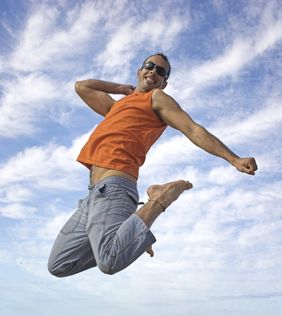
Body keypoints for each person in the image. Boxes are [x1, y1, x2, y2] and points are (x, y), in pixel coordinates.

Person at [48, 53, 257, 277]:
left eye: (161, 72)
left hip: (115, 187)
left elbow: (192, 129)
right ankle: (132, 234)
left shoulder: (156, 98)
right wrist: (122, 89)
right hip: (93, 196)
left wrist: (233, 158)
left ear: (164, 82)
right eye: (150, 66)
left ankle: (160, 198)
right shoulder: (116, 108)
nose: (154, 72)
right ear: (140, 71)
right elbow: (82, 87)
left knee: (109, 261)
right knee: (60, 264)